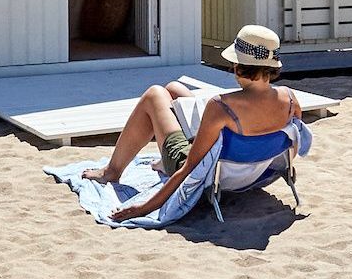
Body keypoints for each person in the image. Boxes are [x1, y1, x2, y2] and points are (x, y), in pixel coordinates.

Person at [81, 25, 301, 223]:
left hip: (214, 176)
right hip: (250, 171)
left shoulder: (222, 106)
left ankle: (112, 171)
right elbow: (292, 146)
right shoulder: (290, 99)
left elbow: (189, 168)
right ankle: (162, 158)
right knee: (175, 89)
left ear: (238, 65)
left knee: (155, 94)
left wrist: (145, 207)